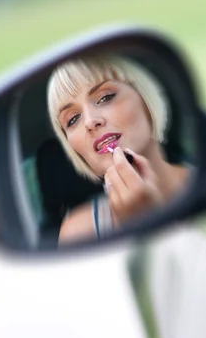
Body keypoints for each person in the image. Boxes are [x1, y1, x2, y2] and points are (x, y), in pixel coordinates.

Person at [47, 55, 190, 245]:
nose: (90, 122)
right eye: (72, 119)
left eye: (105, 97)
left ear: (145, 99)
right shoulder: (77, 235)